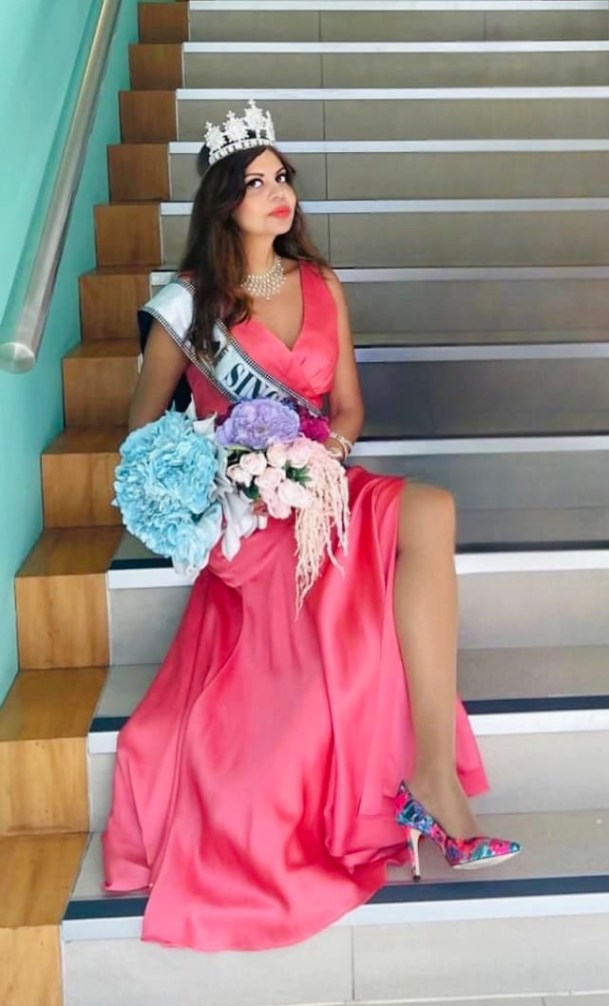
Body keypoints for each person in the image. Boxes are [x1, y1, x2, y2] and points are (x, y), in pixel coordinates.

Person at [102, 100, 521, 952]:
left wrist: (318, 458)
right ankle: (428, 789)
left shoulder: (322, 284)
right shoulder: (187, 308)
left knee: (432, 508)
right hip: (250, 515)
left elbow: (349, 407)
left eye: (282, 177)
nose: (277, 192)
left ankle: (432, 776)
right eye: (256, 182)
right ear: (223, 202)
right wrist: (234, 474)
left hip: (321, 483)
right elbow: (143, 437)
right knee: (366, 587)